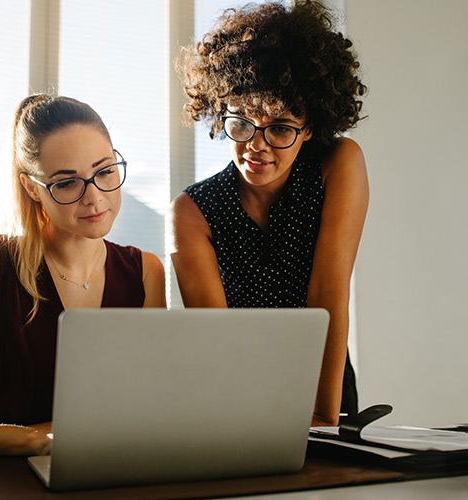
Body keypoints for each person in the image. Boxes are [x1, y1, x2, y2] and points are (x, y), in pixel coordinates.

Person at [0, 94, 166, 455]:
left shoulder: (146, 272)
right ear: (31, 188)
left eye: (104, 172)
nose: (95, 197)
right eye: (67, 183)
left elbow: (149, 407)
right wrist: (36, 439)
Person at [171, 0, 368, 427]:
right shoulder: (192, 211)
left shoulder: (337, 164)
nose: (256, 145)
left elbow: (329, 295)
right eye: (241, 123)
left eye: (279, 127)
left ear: (310, 126)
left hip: (326, 385)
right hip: (236, 392)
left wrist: (322, 417)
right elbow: (216, 341)